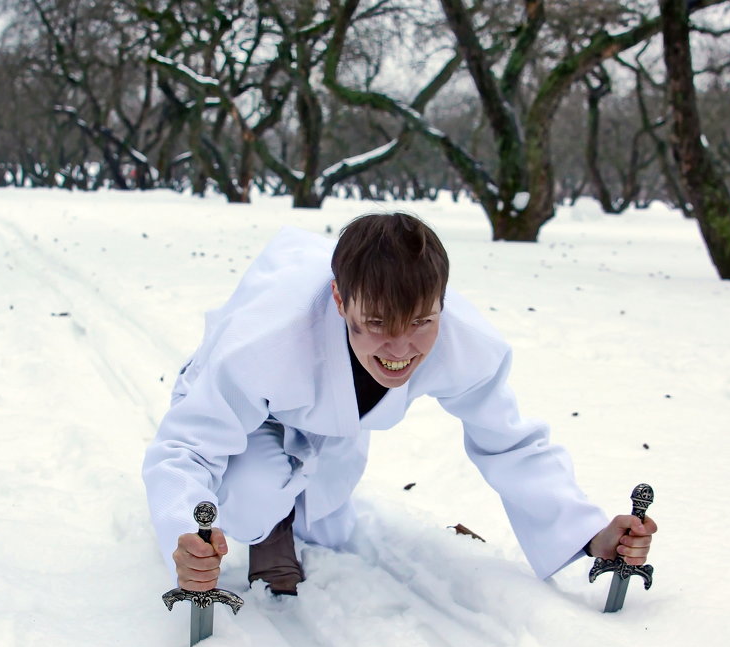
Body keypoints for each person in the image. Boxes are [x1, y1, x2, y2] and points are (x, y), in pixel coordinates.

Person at [143, 212, 655, 596]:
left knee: (325, 522)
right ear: (341, 301)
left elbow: (510, 443)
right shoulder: (263, 344)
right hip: (251, 414)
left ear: (441, 302)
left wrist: (590, 534)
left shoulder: (463, 342)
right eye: (378, 323)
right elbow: (186, 448)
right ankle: (269, 524)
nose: (401, 350)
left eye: (421, 322)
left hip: (335, 420)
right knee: (254, 497)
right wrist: (187, 532)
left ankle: (293, 509)